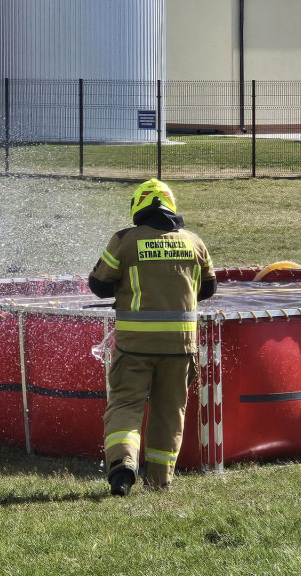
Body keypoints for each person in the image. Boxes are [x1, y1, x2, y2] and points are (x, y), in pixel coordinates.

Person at [88, 178, 217, 496]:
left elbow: (99, 285)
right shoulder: (193, 242)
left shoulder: (125, 240)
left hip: (135, 347)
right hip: (180, 347)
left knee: (125, 404)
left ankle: (122, 467)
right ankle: (160, 482)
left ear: (139, 206)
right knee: (169, 411)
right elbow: (210, 288)